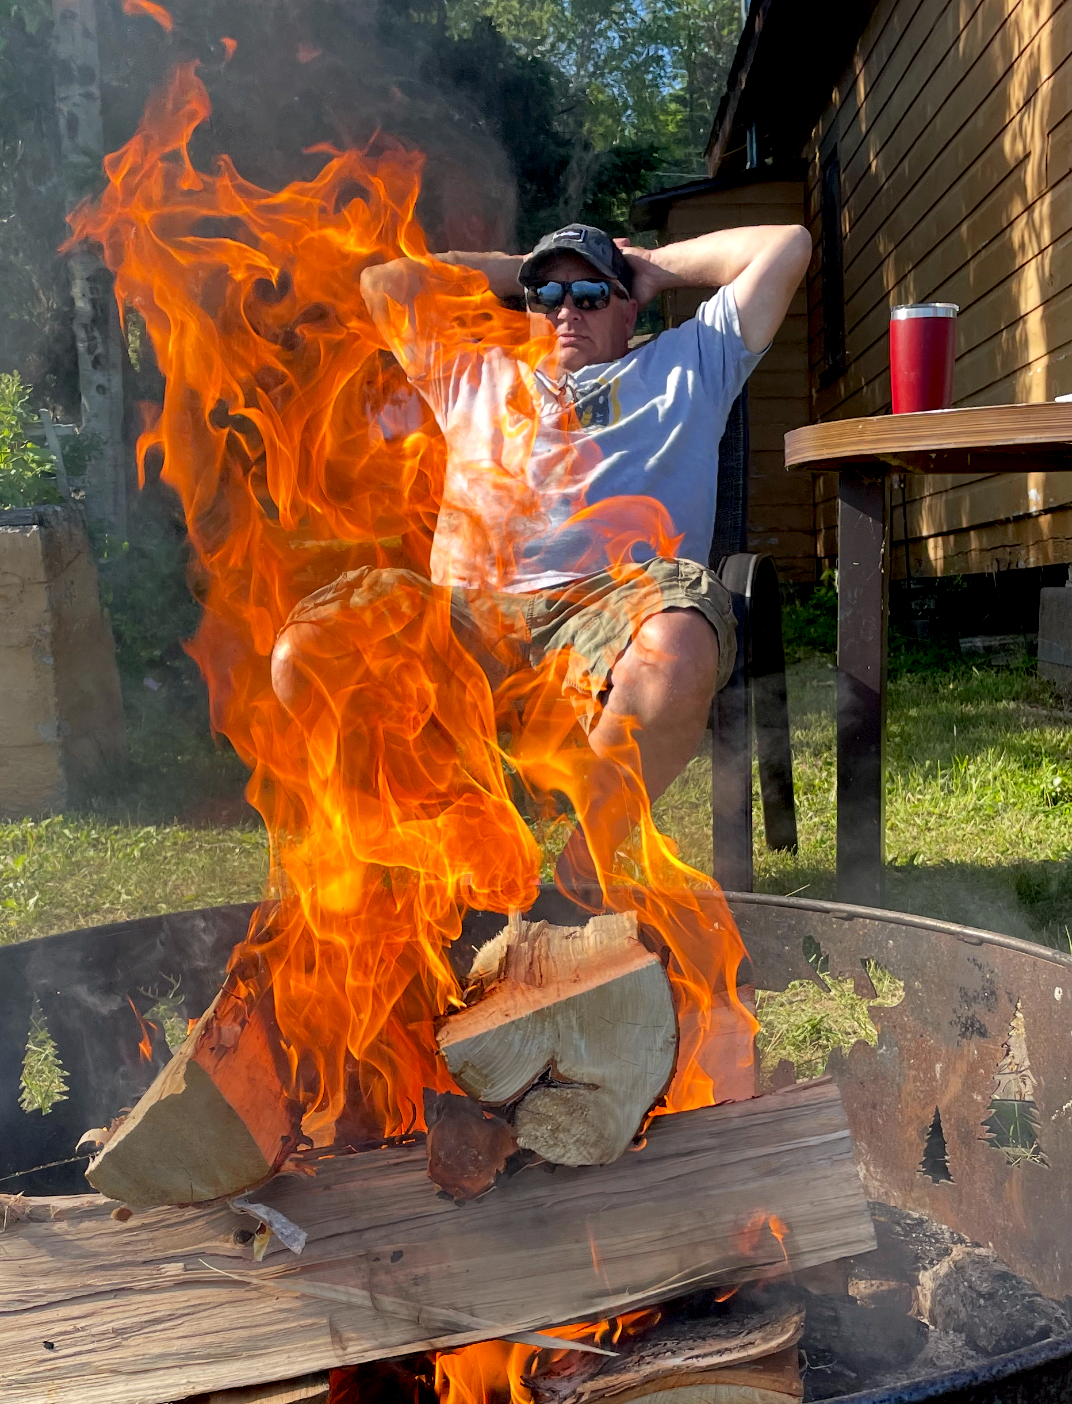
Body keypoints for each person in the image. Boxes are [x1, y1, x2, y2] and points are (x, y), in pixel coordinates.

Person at [271, 217, 812, 904]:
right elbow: (387, 283)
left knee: (678, 643)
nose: (565, 311)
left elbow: (787, 246)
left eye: (589, 294)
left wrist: (651, 263)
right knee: (309, 651)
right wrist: (520, 266)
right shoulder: (472, 375)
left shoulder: (688, 364)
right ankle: (462, 845)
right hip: (471, 618)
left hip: (619, 609)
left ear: (627, 306)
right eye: (546, 297)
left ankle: (585, 869)